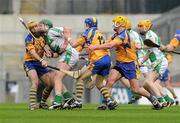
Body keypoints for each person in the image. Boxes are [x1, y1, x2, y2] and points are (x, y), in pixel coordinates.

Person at [87, 16, 162, 110]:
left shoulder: (123, 36)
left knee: (135, 89)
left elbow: (110, 45)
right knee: (110, 81)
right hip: (120, 64)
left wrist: (94, 48)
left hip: (130, 64)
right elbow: (106, 43)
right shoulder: (115, 35)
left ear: (120, 24)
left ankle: (153, 99)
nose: (114, 24)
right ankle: (106, 103)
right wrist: (94, 48)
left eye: (115, 23)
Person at [67, 17, 118, 110]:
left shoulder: (87, 33)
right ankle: (109, 101)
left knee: (80, 78)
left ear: (87, 24)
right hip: (107, 60)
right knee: (99, 84)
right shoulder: (99, 33)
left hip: (98, 60)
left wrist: (67, 37)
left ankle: (78, 101)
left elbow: (74, 44)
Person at [38, 19, 80, 109]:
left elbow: (67, 29)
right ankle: (69, 99)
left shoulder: (51, 31)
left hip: (69, 53)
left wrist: (66, 43)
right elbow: (58, 53)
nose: (38, 28)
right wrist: (52, 55)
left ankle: (57, 102)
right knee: (56, 77)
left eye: (40, 26)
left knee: (57, 77)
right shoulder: (47, 39)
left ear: (46, 26)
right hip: (66, 54)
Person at [137, 19, 173, 107]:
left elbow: (150, 45)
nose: (139, 28)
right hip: (156, 62)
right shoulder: (148, 36)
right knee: (146, 85)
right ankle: (168, 99)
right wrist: (141, 62)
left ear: (146, 27)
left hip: (160, 61)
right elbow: (149, 52)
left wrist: (141, 46)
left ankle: (161, 100)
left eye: (141, 26)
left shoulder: (150, 34)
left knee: (148, 81)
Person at [23, 20, 54, 110]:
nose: (38, 27)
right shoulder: (29, 39)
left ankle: (42, 103)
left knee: (50, 84)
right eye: (35, 27)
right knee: (35, 82)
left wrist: (48, 52)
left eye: (37, 26)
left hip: (39, 63)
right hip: (30, 63)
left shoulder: (42, 37)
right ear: (31, 29)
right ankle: (32, 105)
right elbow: (32, 52)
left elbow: (46, 47)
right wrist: (41, 59)